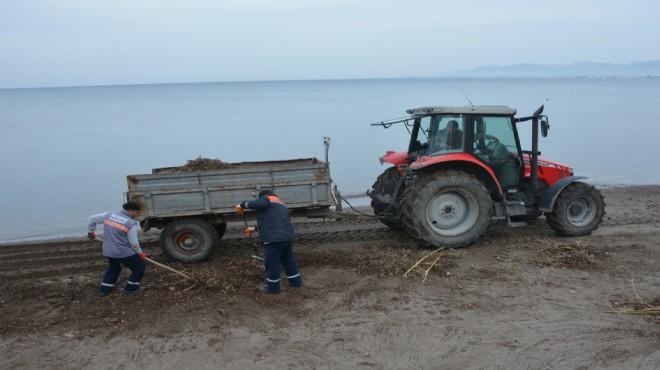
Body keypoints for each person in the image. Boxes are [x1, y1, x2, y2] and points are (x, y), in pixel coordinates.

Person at [236, 189, 303, 294]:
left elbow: (259, 203)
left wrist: (242, 205)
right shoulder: (282, 205)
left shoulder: (266, 199)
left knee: (272, 263)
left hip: (273, 240)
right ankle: (296, 282)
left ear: (262, 196)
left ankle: (272, 288)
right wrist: (253, 229)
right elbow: (274, 222)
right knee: (288, 261)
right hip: (286, 238)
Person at [87, 201, 147, 297]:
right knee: (139, 267)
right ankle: (131, 288)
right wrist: (140, 253)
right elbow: (134, 243)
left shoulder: (109, 215)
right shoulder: (130, 223)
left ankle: (104, 290)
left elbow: (92, 219)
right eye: (136, 212)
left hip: (108, 251)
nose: (136, 215)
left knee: (114, 267)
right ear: (130, 211)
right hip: (122, 252)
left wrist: (91, 231)